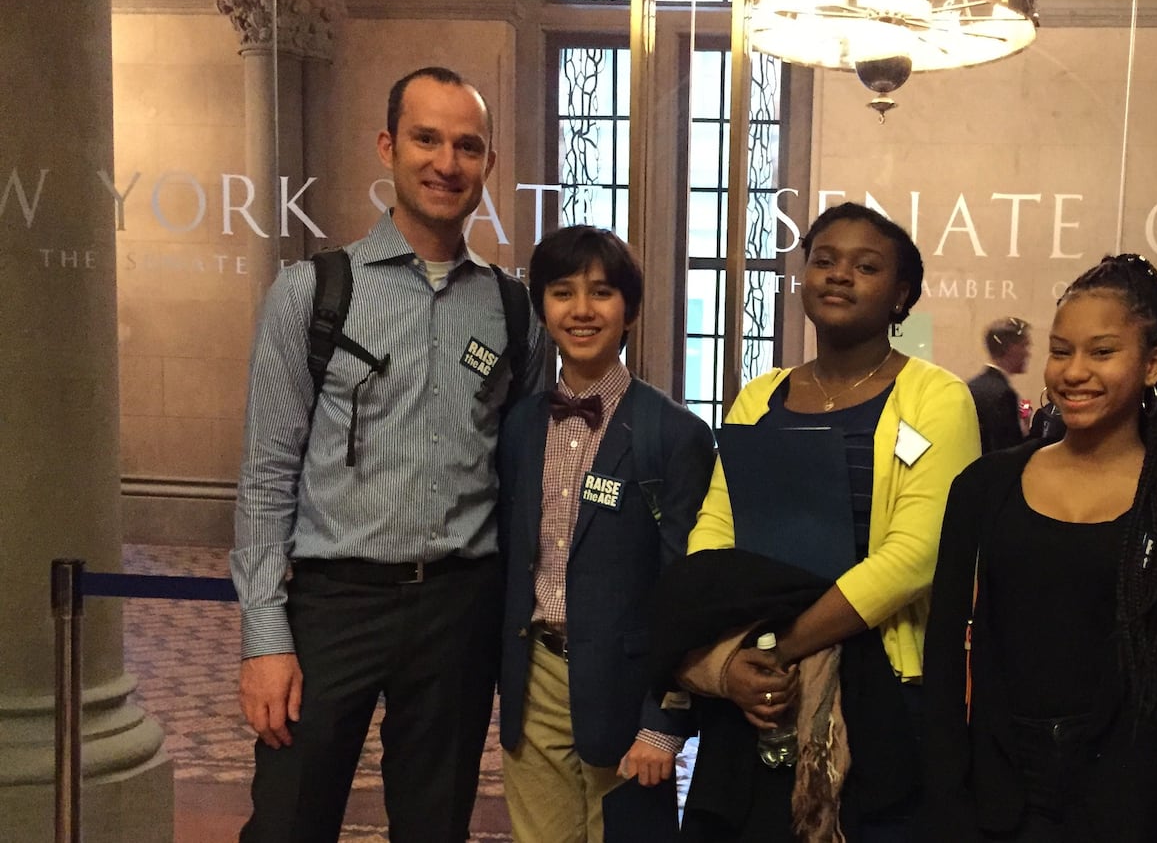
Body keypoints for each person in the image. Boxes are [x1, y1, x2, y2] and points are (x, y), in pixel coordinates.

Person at [230, 66, 548, 843]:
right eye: (427, 139)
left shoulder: (511, 307)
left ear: (489, 165)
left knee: (435, 825)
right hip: (335, 604)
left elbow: (526, 459)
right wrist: (264, 639)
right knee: (287, 822)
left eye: (468, 146)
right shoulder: (312, 292)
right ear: (387, 147)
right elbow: (267, 477)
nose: (447, 162)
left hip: (457, 606)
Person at [652, 202, 982, 842]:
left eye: (866, 266)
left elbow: (915, 555)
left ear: (901, 295)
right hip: (756, 686)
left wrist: (779, 648)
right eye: (824, 260)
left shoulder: (937, 397)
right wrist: (734, 659)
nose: (838, 275)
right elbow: (716, 529)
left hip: (878, 685)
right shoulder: (760, 396)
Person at [922, 254, 1157, 842]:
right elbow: (943, 660)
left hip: (1127, 807)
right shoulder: (984, 488)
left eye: (1101, 351)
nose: (1073, 372)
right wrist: (948, 806)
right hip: (997, 802)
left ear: (1153, 364)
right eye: (1061, 350)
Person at [495, 225, 715, 842]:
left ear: (631, 311)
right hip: (534, 678)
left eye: (602, 293)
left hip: (627, 685)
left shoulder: (674, 435)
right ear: (543, 309)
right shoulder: (518, 428)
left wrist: (664, 719)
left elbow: (685, 590)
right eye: (563, 293)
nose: (582, 310)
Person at [968, 317, 1032, 453]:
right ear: (1010, 348)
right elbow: (1007, 452)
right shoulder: (1003, 395)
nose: (1028, 353)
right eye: (1024, 345)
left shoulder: (972, 386)